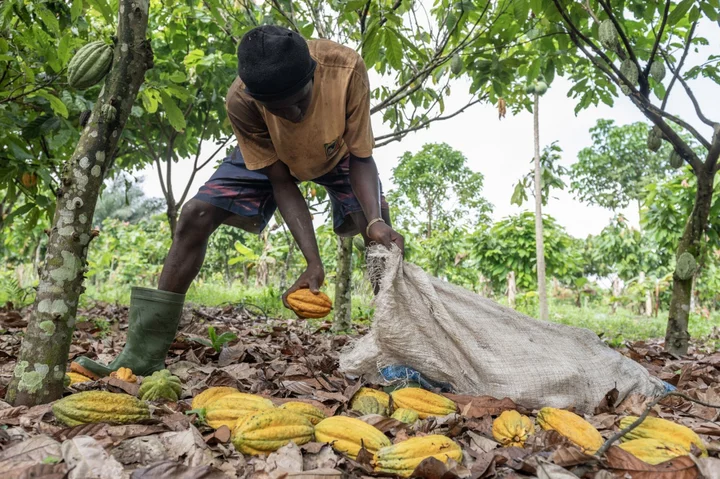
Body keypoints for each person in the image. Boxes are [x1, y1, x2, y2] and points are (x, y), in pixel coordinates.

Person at [73, 25, 404, 377]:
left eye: (299, 102)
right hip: (272, 156)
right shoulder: (241, 100)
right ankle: (142, 354)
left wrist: (373, 221)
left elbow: (362, 157)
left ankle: (397, 352)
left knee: (380, 233)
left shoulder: (345, 69)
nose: (292, 115)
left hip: (337, 153)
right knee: (195, 214)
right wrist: (312, 263)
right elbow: (281, 180)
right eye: (279, 109)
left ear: (313, 76)